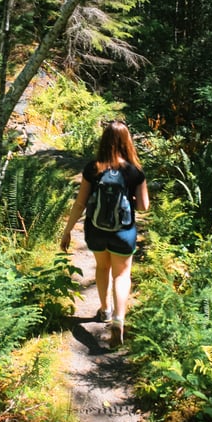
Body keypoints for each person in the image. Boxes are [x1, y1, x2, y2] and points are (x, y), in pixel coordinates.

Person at [60, 120, 149, 349]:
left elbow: (80, 203)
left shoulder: (93, 168)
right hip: (123, 232)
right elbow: (144, 207)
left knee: (102, 268)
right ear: (127, 141)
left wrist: (67, 231)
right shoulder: (134, 171)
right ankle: (119, 320)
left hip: (96, 231)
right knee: (122, 274)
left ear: (104, 140)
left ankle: (104, 310)